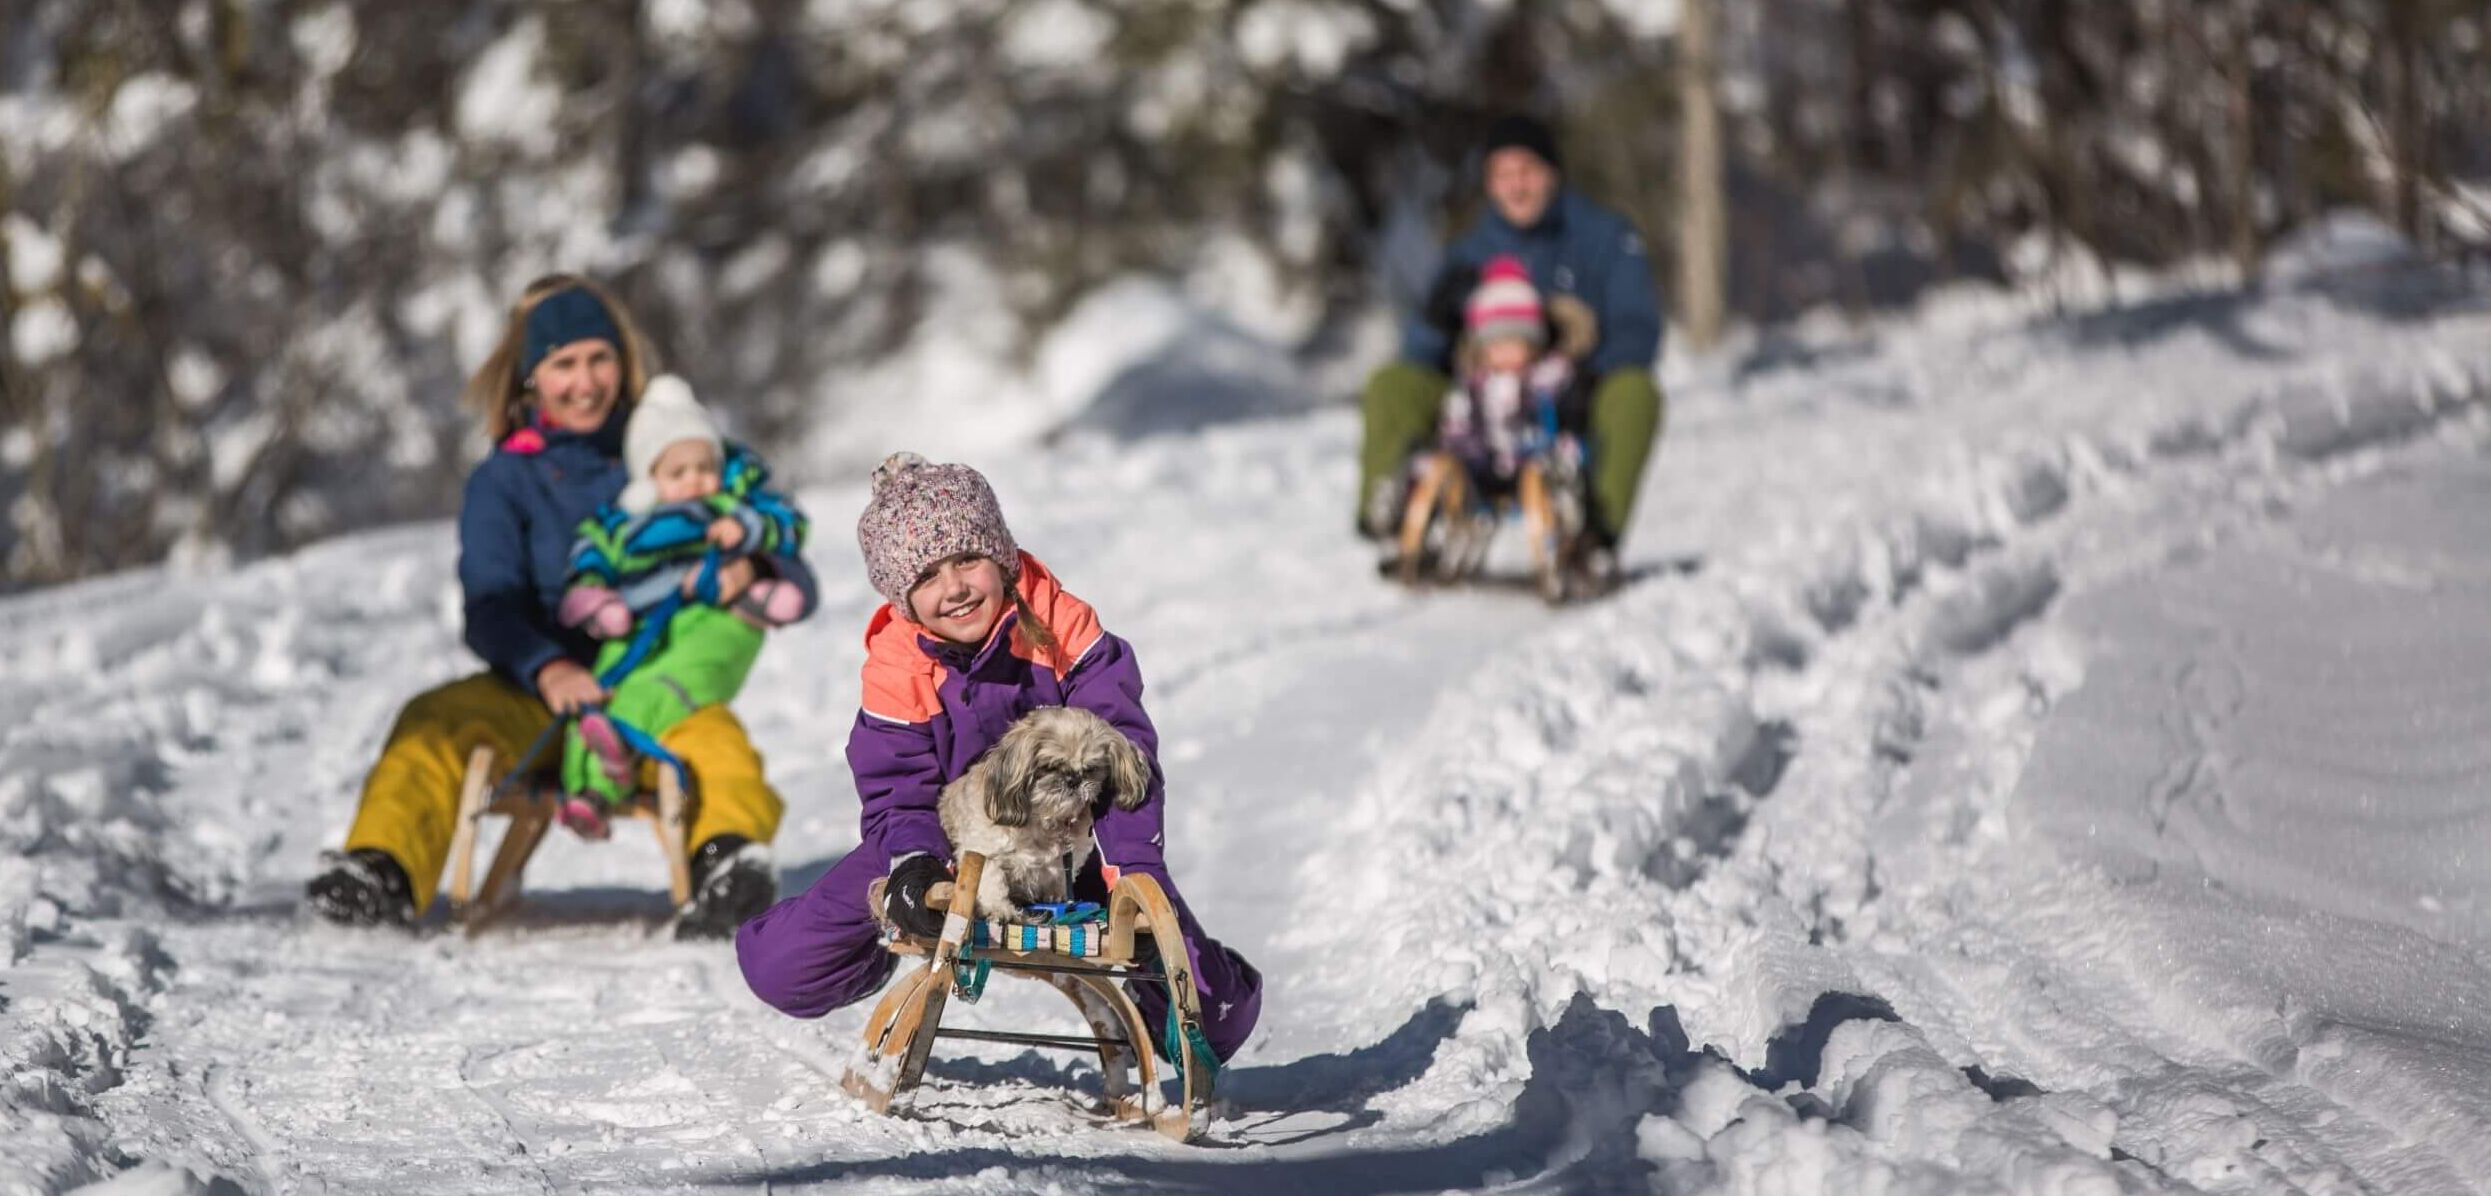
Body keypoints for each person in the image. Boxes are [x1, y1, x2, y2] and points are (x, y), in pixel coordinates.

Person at [306, 276, 817, 940]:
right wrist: (547, 669)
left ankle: (727, 865)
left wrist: (756, 565)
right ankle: (383, 869)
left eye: (598, 359)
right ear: (529, 377)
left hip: (645, 691)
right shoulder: (504, 481)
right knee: (434, 722)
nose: (585, 381)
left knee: (714, 740)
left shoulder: (667, 449)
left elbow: (775, 534)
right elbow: (489, 604)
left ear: (624, 362)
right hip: (542, 701)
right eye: (563, 364)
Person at [733, 453, 1262, 1073]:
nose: (953, 587)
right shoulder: (898, 666)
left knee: (1211, 1009)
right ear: (904, 597)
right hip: (947, 839)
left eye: (966, 560)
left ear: (1001, 556)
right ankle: (883, 942)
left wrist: (1132, 873)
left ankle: (1198, 998)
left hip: (1075, 845)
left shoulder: (1065, 627)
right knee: (782, 965)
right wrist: (915, 867)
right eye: (927, 576)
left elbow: (1124, 757)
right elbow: (898, 792)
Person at [1358, 113, 1666, 575]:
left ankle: (1594, 536)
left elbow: (1637, 327)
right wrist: (1439, 325)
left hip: (1568, 397)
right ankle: (1395, 511)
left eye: (1527, 172)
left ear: (1552, 173)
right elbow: (1420, 349)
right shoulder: (1469, 252)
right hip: (1483, 400)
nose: (1516, 187)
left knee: (1636, 393)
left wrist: (1584, 368)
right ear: (1489, 183)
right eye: (1503, 175)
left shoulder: (1604, 238)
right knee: (1393, 383)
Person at [552, 376, 810, 840]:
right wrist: (593, 596)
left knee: (670, 683)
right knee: (596, 697)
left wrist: (747, 532)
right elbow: (591, 553)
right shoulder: (628, 523)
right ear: (650, 478)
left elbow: (788, 522)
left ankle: (617, 757)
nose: (695, 481)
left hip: (717, 618)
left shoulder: (733, 504)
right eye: (678, 472)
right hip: (639, 627)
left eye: (704, 466)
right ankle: (590, 792)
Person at [1435, 254, 1596, 488]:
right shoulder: (1473, 386)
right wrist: (1462, 449)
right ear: (1482, 350)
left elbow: (1566, 421)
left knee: (1551, 465)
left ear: (1532, 346)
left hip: (1537, 463)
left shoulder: (1548, 378)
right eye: (1497, 346)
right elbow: (1458, 425)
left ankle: (1562, 494)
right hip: (1483, 470)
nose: (1506, 354)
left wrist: (1561, 447)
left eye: (1515, 344)